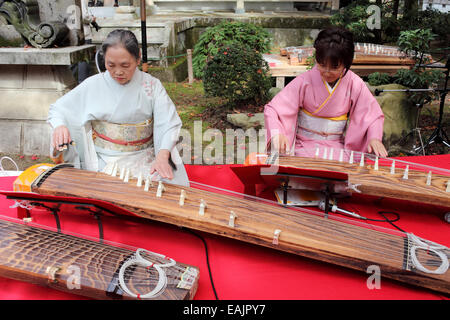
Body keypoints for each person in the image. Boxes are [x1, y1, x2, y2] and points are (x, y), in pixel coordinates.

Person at [48, 29, 189, 187]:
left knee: (164, 190)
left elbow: (168, 122)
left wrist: (162, 156)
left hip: (146, 156)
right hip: (104, 159)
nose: (118, 72)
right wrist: (60, 125)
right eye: (111, 65)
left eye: (125, 65)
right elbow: (59, 109)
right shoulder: (93, 84)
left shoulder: (151, 85)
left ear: (138, 58)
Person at [264, 27, 388, 159]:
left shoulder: (354, 83)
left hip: (338, 149)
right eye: (322, 65)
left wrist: (374, 138)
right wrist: (277, 134)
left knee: (344, 176)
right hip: (305, 147)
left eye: (335, 67)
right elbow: (274, 109)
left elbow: (372, 115)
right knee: (304, 176)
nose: (327, 72)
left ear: (346, 64)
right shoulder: (305, 81)